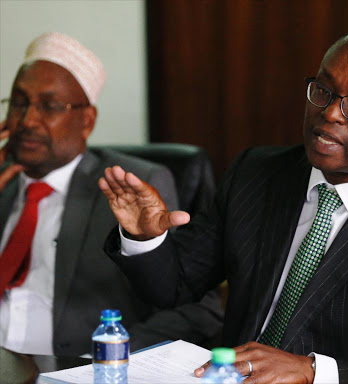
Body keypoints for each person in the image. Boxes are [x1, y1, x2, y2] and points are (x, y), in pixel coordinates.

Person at [100, 26, 348, 383]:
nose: (328, 113)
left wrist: (315, 372)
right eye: (323, 91)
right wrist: (143, 237)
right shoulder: (256, 173)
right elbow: (174, 286)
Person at [0, 32, 223, 357]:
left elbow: (195, 311)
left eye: (49, 106)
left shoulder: (134, 187)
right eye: (19, 103)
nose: (27, 120)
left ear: (87, 121)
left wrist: (106, 359)